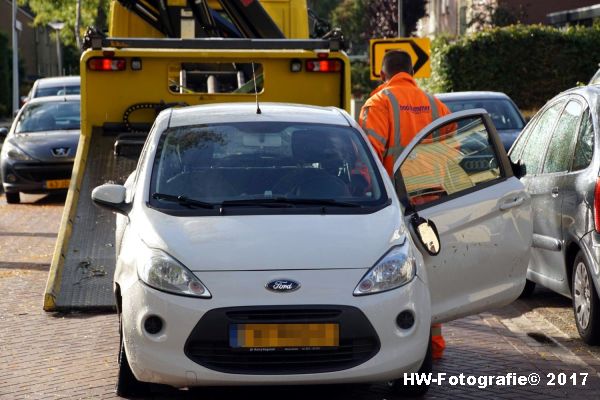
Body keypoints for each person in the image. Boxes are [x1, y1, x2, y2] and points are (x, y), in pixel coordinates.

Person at [359, 50, 450, 360]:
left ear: (383, 74)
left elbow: (366, 159)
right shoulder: (436, 104)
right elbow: (455, 144)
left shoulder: (380, 103)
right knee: (432, 275)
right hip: (433, 202)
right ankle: (433, 344)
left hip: (395, 206)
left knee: (397, 279)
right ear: (412, 71)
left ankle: (399, 346)